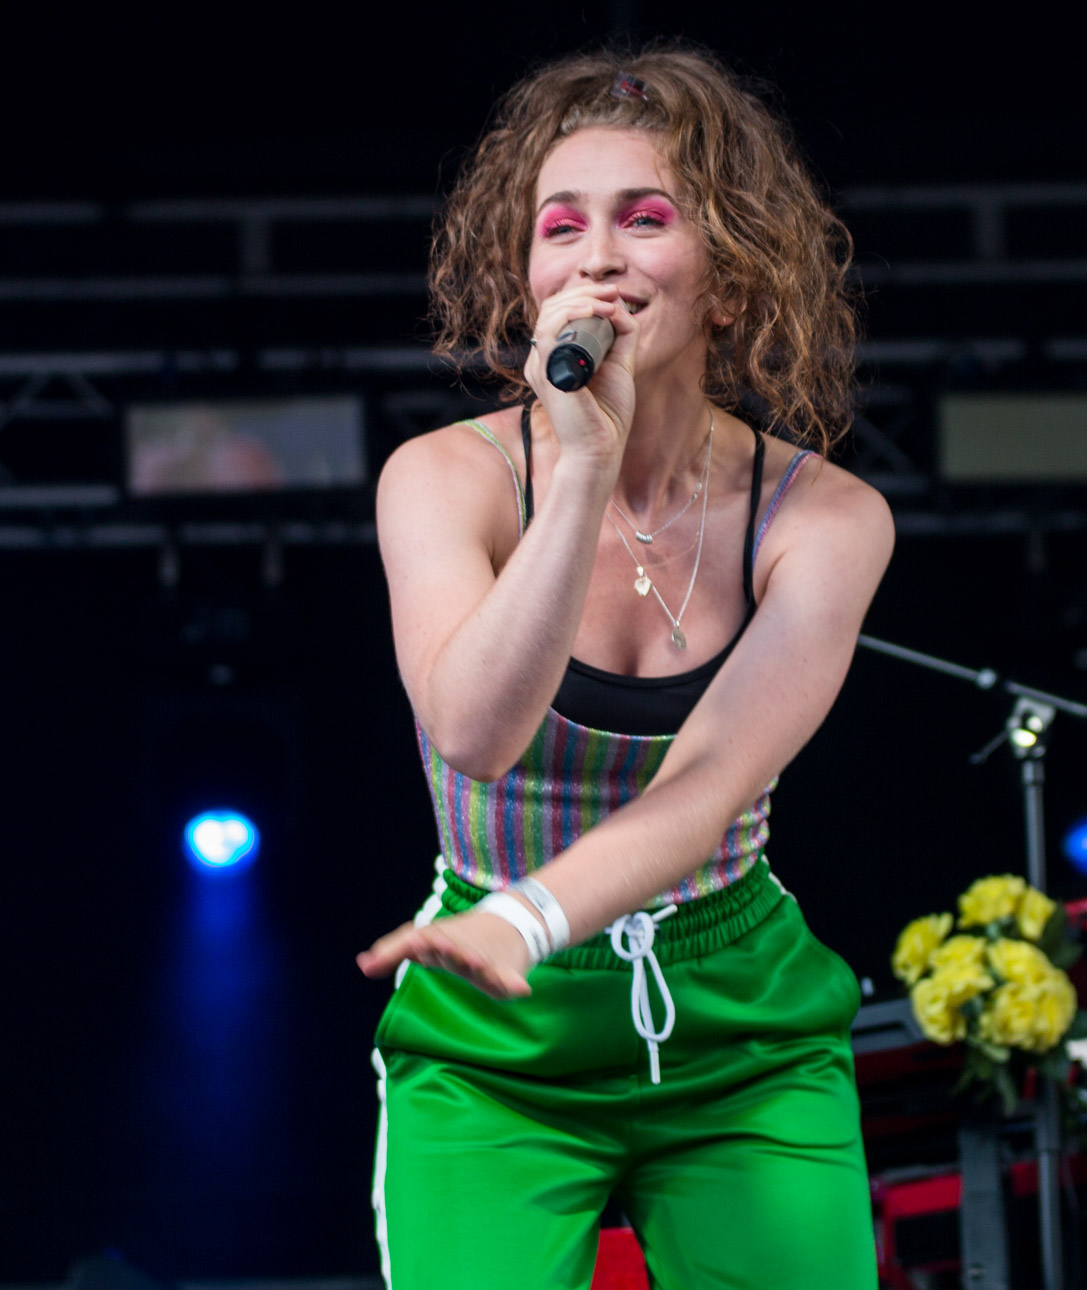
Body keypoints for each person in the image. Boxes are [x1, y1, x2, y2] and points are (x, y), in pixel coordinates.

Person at [356, 42, 893, 1290]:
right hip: (495, 1043)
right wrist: (579, 468)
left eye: (645, 220)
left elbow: (704, 791)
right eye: (562, 228)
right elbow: (476, 732)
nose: (596, 256)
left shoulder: (825, 520)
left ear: (729, 277)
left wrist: (531, 921)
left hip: (735, 1017)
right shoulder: (444, 482)